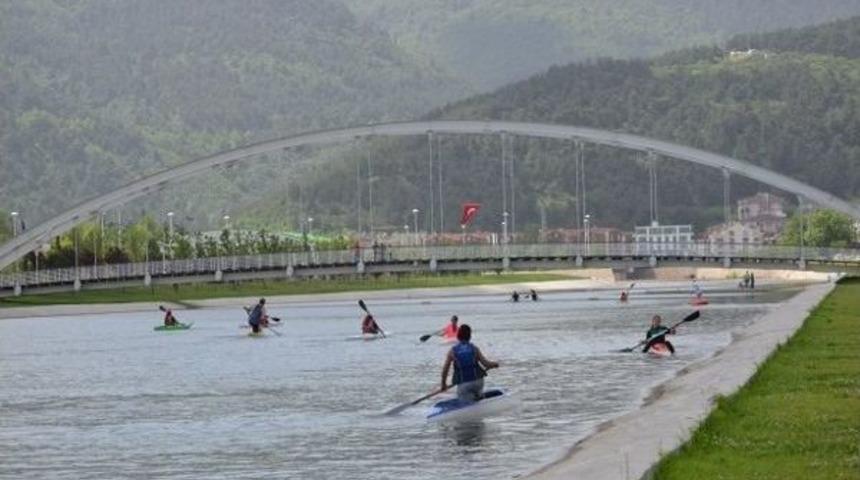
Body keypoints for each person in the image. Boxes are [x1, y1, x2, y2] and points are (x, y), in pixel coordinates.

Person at [441, 324, 499, 402]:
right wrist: (494, 364)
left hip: (464, 384)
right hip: (478, 382)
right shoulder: (474, 348)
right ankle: (479, 397)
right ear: (469, 336)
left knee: (465, 401)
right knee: (477, 396)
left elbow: (445, 370)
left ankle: (470, 404)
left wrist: (443, 384)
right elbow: (486, 364)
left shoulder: (453, 351)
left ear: (458, 336)